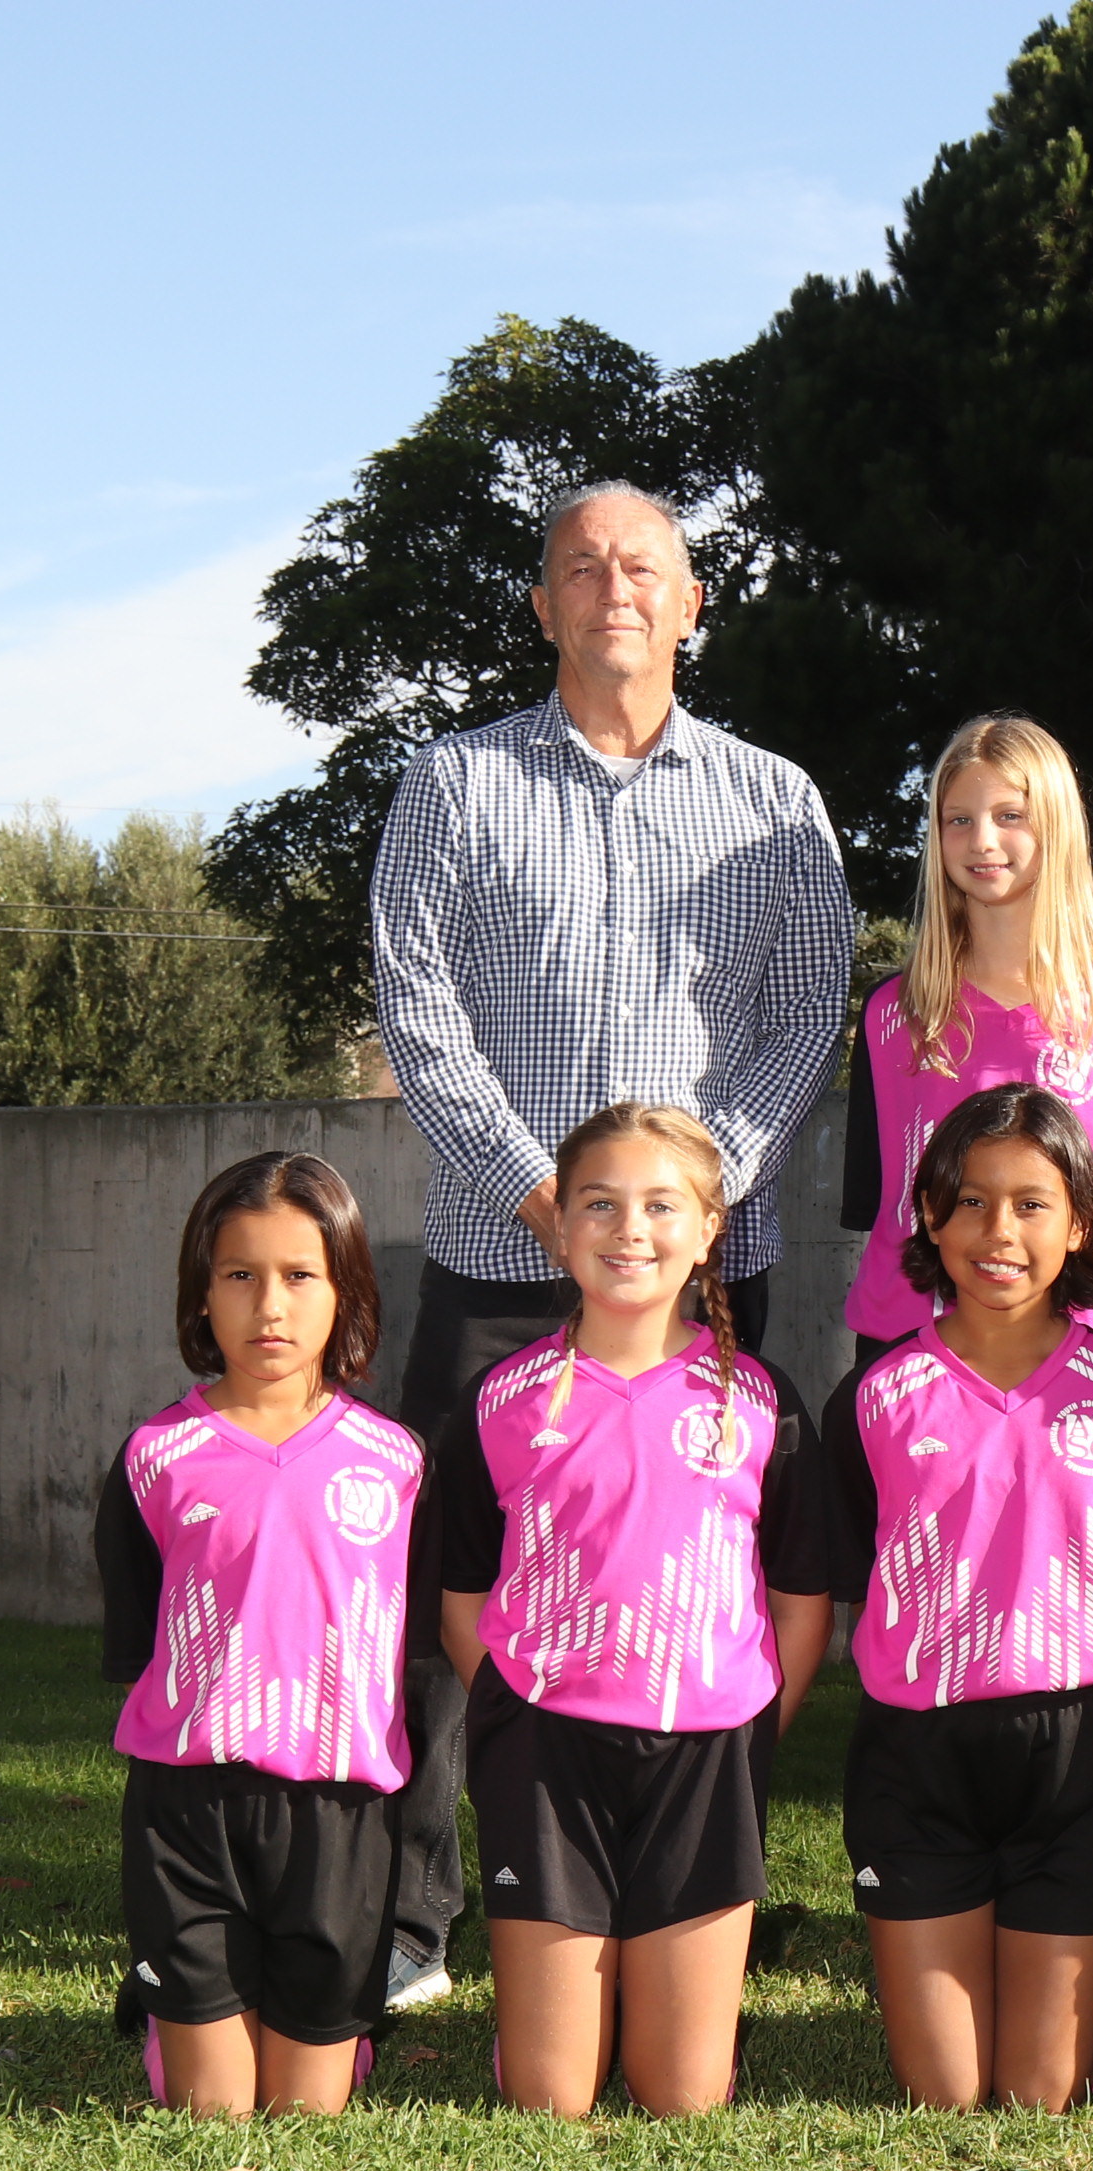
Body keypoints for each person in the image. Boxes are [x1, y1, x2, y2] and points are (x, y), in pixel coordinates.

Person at [366, 480, 854, 2016]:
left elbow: (807, 1018)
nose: (615, 586)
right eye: (581, 567)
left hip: (703, 1272)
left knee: (710, 1588)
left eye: (645, 565)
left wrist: (688, 1207)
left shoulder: (778, 803)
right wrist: (544, 1196)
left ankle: (697, 1892)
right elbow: (418, 1010)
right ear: (542, 608)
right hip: (499, 1262)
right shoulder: (451, 787)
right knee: (450, 1595)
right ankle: (417, 1915)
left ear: (692, 603)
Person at [777, 1085, 1093, 2111]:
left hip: (1079, 1754)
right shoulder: (872, 1399)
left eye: (1031, 1203)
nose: (998, 1231)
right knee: (946, 2092)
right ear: (929, 1216)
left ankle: (1070, 2019)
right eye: (969, 1201)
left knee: (1039, 2095)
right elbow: (849, 1579)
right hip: (917, 1758)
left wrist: (1053, 1653)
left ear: (1084, 1224)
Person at [427, 1105, 834, 2119]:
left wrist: (745, 1735)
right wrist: (524, 1717)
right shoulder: (499, 1400)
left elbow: (800, 1603)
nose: (629, 1230)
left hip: (705, 1758)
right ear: (559, 1224)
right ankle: (548, 2020)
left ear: (708, 1230)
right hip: (547, 1760)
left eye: (661, 1205)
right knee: (551, 2097)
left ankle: (659, 2012)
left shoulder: (761, 1402)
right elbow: (462, 1600)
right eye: (599, 1204)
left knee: (681, 2096)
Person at [94, 1151, 420, 2119]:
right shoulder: (156, 1456)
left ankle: (329, 2027)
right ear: (202, 1293)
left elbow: (417, 1652)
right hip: (187, 1813)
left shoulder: (398, 1463)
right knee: (214, 2110)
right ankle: (174, 2013)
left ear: (345, 1290)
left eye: (300, 1275)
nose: (269, 1306)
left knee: (304, 2111)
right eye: (240, 1274)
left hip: (339, 1819)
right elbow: (139, 1646)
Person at [839, 714, 1093, 1365]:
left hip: (1059, 1353)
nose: (982, 840)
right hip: (904, 1348)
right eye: (958, 819)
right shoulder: (892, 1015)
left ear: (1056, 827)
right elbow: (877, 1207)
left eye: (1010, 815)